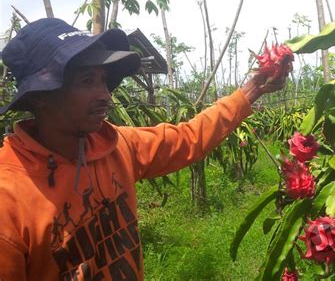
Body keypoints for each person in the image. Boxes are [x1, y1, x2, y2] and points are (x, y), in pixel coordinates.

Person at [0, 18, 287, 280]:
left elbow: (188, 138)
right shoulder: (8, 201)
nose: (105, 96)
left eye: (103, 80)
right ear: (39, 97)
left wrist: (253, 89)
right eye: (87, 81)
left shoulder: (116, 146)